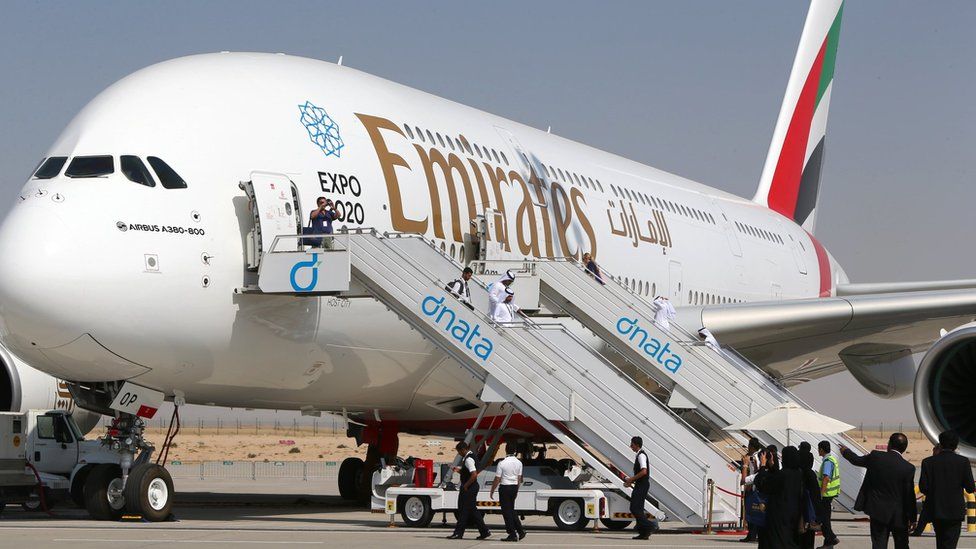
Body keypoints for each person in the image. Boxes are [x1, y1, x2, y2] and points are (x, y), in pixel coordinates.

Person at [841, 433, 917, 549]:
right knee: (902, 545)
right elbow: (909, 495)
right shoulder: (908, 468)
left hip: (878, 512)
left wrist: (845, 451)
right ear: (904, 448)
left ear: (889, 445)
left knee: (879, 544)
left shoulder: (876, 457)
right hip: (899, 515)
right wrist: (912, 518)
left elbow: (856, 460)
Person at [918, 431, 975, 549]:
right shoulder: (963, 462)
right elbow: (970, 488)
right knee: (951, 544)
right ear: (956, 445)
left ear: (940, 444)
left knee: (940, 543)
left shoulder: (928, 462)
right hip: (955, 512)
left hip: (936, 510)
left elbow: (923, 487)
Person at [757, 446, 804, 549]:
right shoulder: (799, 474)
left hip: (778, 514)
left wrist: (763, 466)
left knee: (777, 541)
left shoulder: (783, 474)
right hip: (794, 512)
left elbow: (763, 486)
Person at [447, 441, 491, 540]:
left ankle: (458, 533)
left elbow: (474, 474)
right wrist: (456, 469)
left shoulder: (468, 459)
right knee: (471, 511)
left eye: (459, 451)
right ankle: (484, 531)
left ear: (463, 450)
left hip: (469, 487)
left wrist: (466, 485)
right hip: (471, 487)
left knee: (463, 511)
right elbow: (467, 472)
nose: (459, 454)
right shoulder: (471, 456)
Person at [624, 436, 657, 540]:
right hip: (641, 484)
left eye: (632, 444)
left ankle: (649, 526)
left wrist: (631, 479)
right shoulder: (639, 455)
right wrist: (632, 481)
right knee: (638, 508)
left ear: (637, 445)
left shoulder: (641, 456)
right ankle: (643, 533)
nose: (631, 446)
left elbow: (644, 471)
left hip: (642, 485)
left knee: (634, 508)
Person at [490, 443, 525, 542]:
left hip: (505, 487)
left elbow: (497, 478)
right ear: (515, 451)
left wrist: (492, 490)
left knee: (506, 512)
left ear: (506, 450)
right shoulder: (519, 463)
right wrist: (517, 489)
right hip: (514, 487)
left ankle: (512, 534)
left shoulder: (502, 463)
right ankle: (520, 531)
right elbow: (519, 479)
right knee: (512, 510)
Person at [912, 443, 941, 537]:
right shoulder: (961, 461)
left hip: (932, 500)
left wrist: (928, 492)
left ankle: (918, 531)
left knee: (924, 517)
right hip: (951, 507)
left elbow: (923, 486)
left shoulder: (927, 462)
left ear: (936, 450)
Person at [818, 441, 841, 547]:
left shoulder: (827, 461)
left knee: (824, 520)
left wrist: (821, 493)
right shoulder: (832, 459)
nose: (818, 451)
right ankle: (828, 543)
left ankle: (832, 538)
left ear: (822, 449)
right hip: (831, 493)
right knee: (826, 518)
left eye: (819, 449)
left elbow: (826, 478)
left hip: (826, 494)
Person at [740, 437, 764, 543]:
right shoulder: (754, 456)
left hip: (753, 486)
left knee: (752, 510)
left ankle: (752, 534)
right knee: (752, 511)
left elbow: (757, 471)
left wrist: (745, 465)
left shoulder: (756, 457)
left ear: (752, 447)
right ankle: (752, 534)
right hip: (752, 484)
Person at [799, 449, 823, 549]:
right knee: (809, 539)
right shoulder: (812, 474)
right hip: (810, 513)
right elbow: (816, 496)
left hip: (800, 512)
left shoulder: (799, 473)